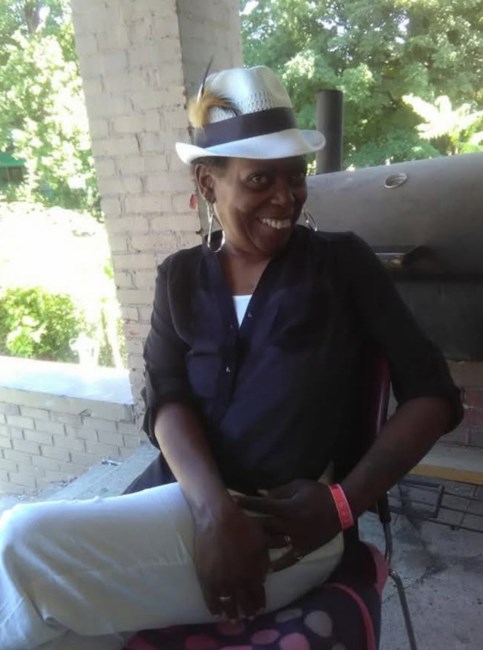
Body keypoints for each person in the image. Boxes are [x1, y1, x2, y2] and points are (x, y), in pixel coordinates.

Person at [0, 66, 462, 650]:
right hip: (183, 507)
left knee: (21, 547)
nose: (285, 197)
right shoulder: (179, 279)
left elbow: (433, 394)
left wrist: (343, 505)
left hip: (286, 533)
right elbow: (165, 397)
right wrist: (213, 513)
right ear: (207, 181)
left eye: (295, 177)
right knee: (59, 629)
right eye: (260, 179)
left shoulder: (341, 266)